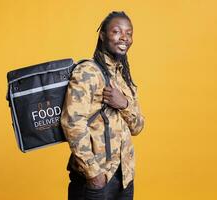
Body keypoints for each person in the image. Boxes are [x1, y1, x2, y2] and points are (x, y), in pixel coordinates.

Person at [61, 11, 145, 200]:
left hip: (124, 178)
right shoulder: (87, 72)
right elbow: (72, 123)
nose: (124, 37)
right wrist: (93, 174)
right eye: (116, 31)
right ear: (103, 35)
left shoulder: (124, 77)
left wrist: (123, 103)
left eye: (129, 33)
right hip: (96, 180)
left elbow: (138, 126)